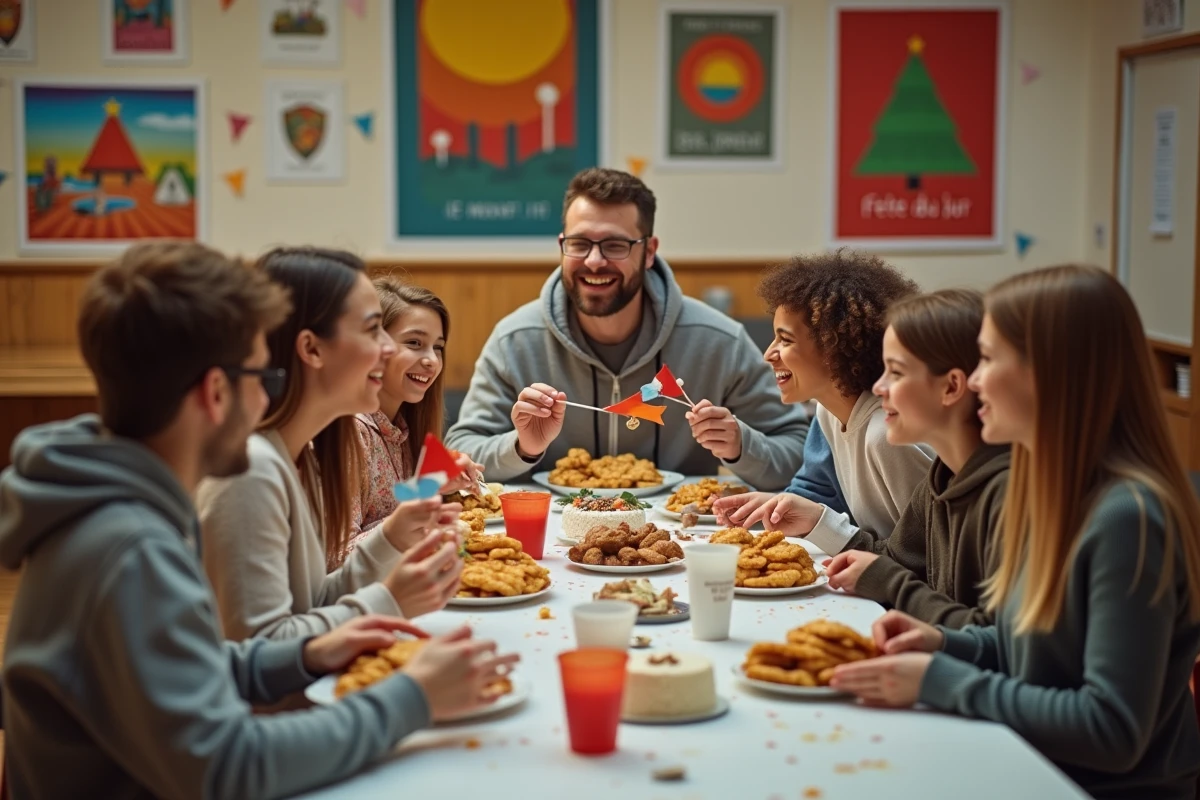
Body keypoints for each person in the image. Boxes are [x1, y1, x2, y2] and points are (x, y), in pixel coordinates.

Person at [0, 241, 518, 799]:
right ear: (217, 392)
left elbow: (190, 662)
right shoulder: (131, 546)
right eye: (261, 375)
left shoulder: (127, 511)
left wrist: (298, 654)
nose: (272, 392)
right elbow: (227, 767)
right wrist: (412, 698)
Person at [831, 265, 1200, 800]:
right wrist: (947, 642)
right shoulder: (1050, 489)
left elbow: (1111, 729)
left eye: (989, 358)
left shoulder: (1129, 516)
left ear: (1051, 372)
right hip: (1030, 762)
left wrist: (940, 680)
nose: (975, 380)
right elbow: (1037, 651)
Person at [444, 167, 809, 490]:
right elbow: (460, 452)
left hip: (681, 544)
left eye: (616, 245)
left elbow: (799, 454)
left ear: (649, 251)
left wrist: (740, 445)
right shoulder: (515, 341)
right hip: (551, 545)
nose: (595, 261)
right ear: (562, 246)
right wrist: (522, 447)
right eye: (580, 243)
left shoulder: (719, 342)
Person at [197, 248, 475, 641]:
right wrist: (391, 601)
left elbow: (316, 601)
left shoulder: (297, 460)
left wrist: (392, 536)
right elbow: (261, 651)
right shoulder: (250, 473)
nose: (386, 349)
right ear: (311, 349)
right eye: (371, 330)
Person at [714, 250, 933, 555]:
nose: (769, 353)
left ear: (834, 347)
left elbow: (926, 558)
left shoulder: (887, 436)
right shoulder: (827, 410)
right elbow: (817, 492)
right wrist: (774, 505)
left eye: (785, 340)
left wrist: (820, 522)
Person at [824, 290, 1009, 626]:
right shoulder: (942, 475)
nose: (878, 387)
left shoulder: (1006, 494)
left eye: (895, 372)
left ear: (951, 387)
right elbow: (895, 561)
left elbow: (994, 638)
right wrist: (818, 523)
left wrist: (893, 584)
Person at [342, 277, 482, 565]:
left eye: (438, 347)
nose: (432, 360)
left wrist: (432, 485)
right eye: (414, 343)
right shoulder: (350, 433)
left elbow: (386, 510)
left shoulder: (402, 428)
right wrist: (421, 519)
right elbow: (335, 557)